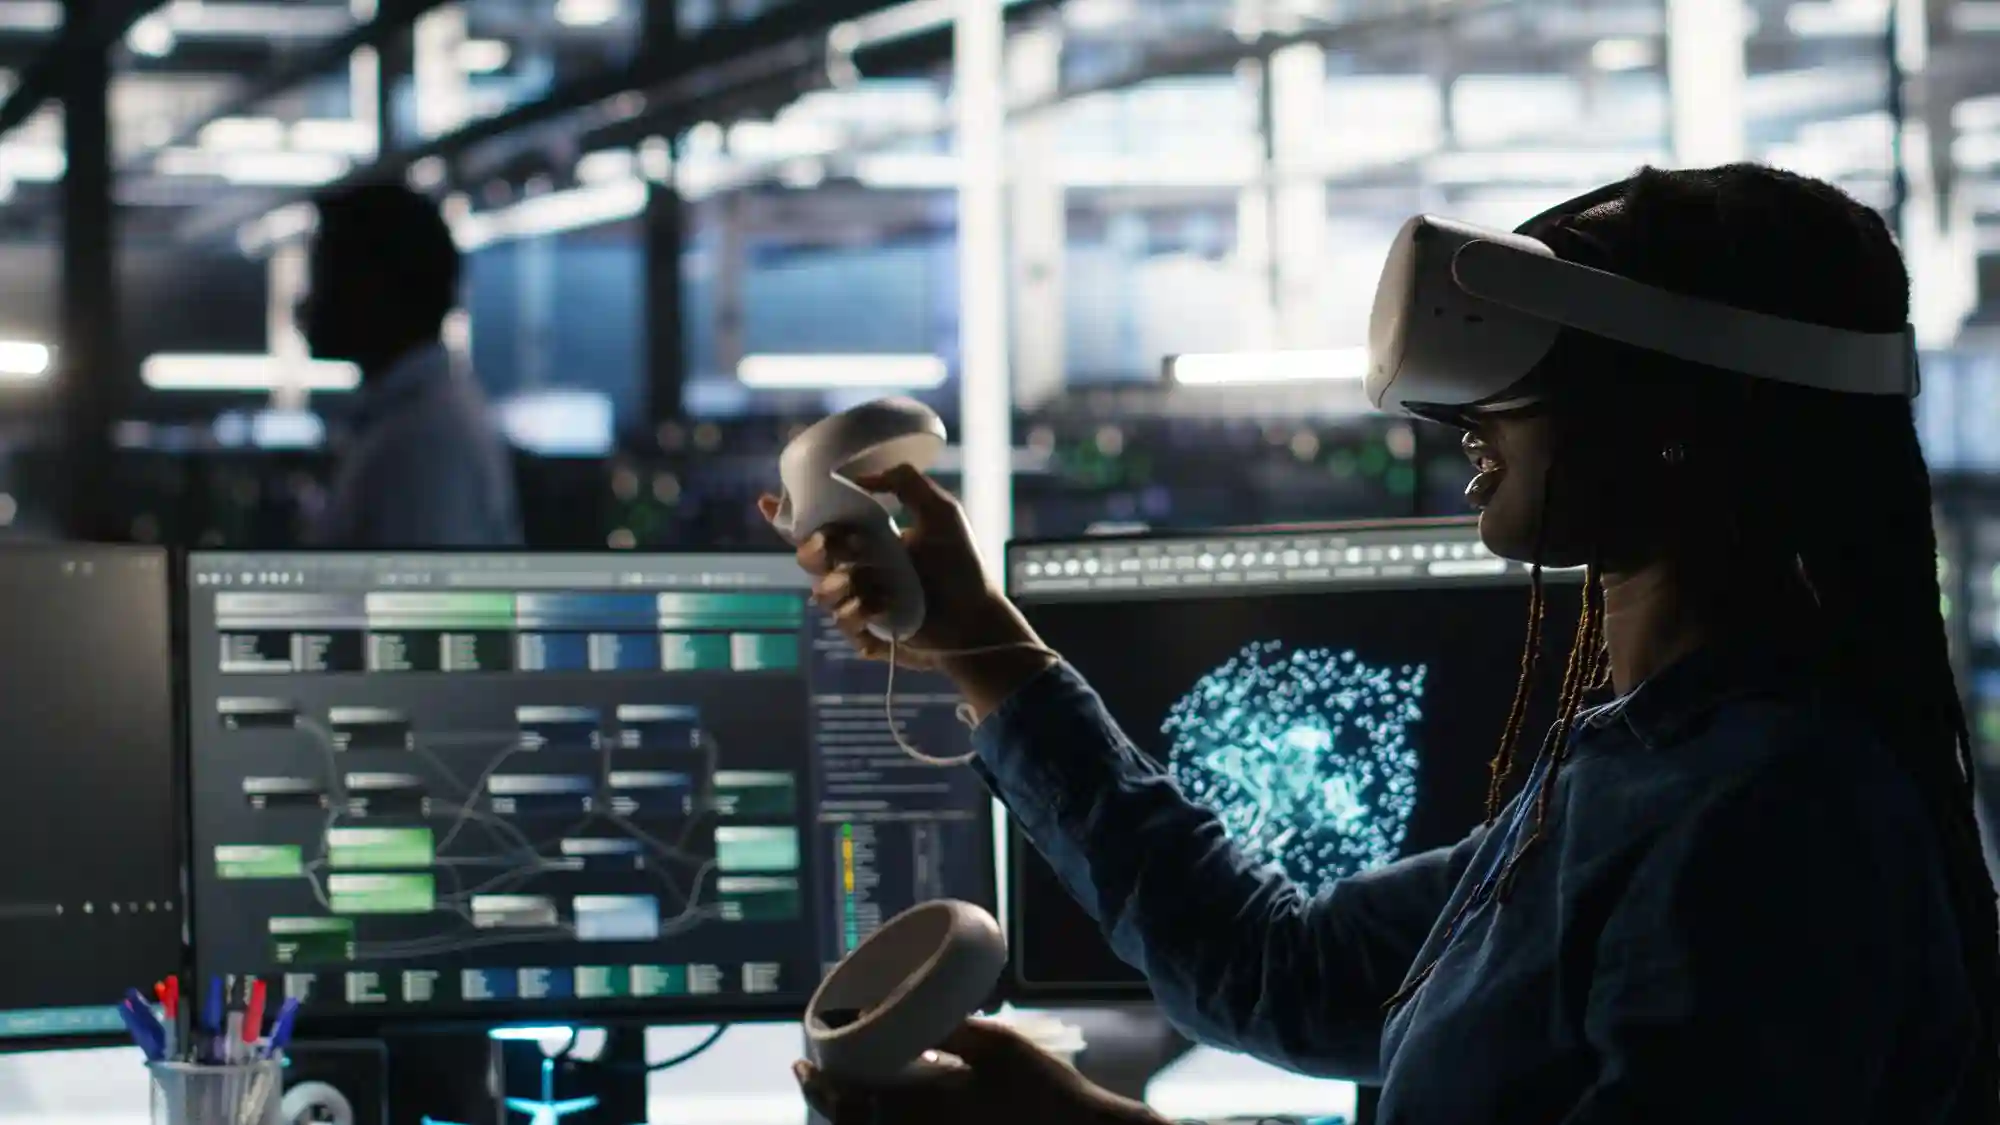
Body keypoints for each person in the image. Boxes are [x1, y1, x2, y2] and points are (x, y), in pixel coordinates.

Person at [773, 164, 1996, 1124]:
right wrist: (971, 635)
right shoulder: (1640, 773)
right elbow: (1279, 972)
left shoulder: (1770, 823)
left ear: (1684, 420)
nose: (1462, 415)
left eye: (1523, 369)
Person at [300, 182, 522, 547]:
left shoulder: (423, 443)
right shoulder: (416, 417)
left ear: (376, 288)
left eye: (324, 273)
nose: (308, 301)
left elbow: (430, 602)